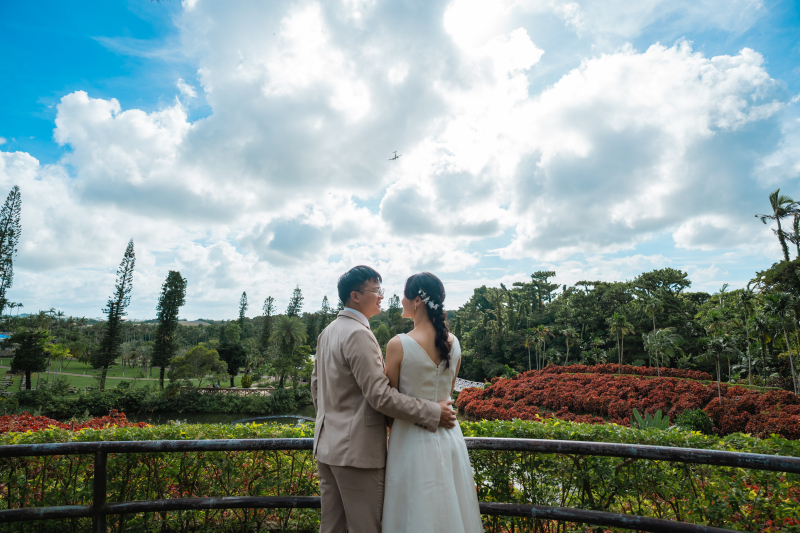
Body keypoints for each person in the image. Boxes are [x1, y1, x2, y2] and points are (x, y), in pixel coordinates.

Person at [311, 265, 457, 533]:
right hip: (357, 453)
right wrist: (432, 412)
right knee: (365, 528)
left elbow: (316, 387)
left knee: (331, 527)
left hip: (327, 448)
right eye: (376, 290)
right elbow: (380, 396)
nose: (381, 296)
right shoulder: (358, 334)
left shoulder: (328, 332)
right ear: (356, 296)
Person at [382, 272, 483, 533]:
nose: (401, 300)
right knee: (451, 509)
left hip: (409, 441)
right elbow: (449, 394)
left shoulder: (398, 344)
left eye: (404, 295)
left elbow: (388, 403)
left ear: (417, 300)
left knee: (413, 512)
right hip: (450, 438)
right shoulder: (455, 343)